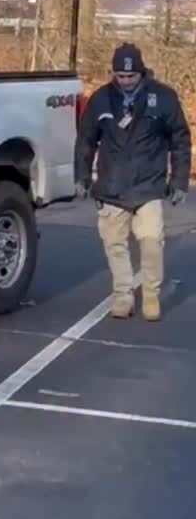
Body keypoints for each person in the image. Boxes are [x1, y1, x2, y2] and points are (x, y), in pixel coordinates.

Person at [75, 43, 191, 321]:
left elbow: (180, 140)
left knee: (151, 242)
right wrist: (81, 176)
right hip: (111, 187)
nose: (126, 81)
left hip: (148, 186)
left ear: (141, 72)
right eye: (120, 76)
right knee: (115, 245)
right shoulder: (101, 100)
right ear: (113, 73)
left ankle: (151, 294)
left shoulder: (163, 98)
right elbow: (86, 141)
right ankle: (123, 295)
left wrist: (179, 181)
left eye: (131, 76)